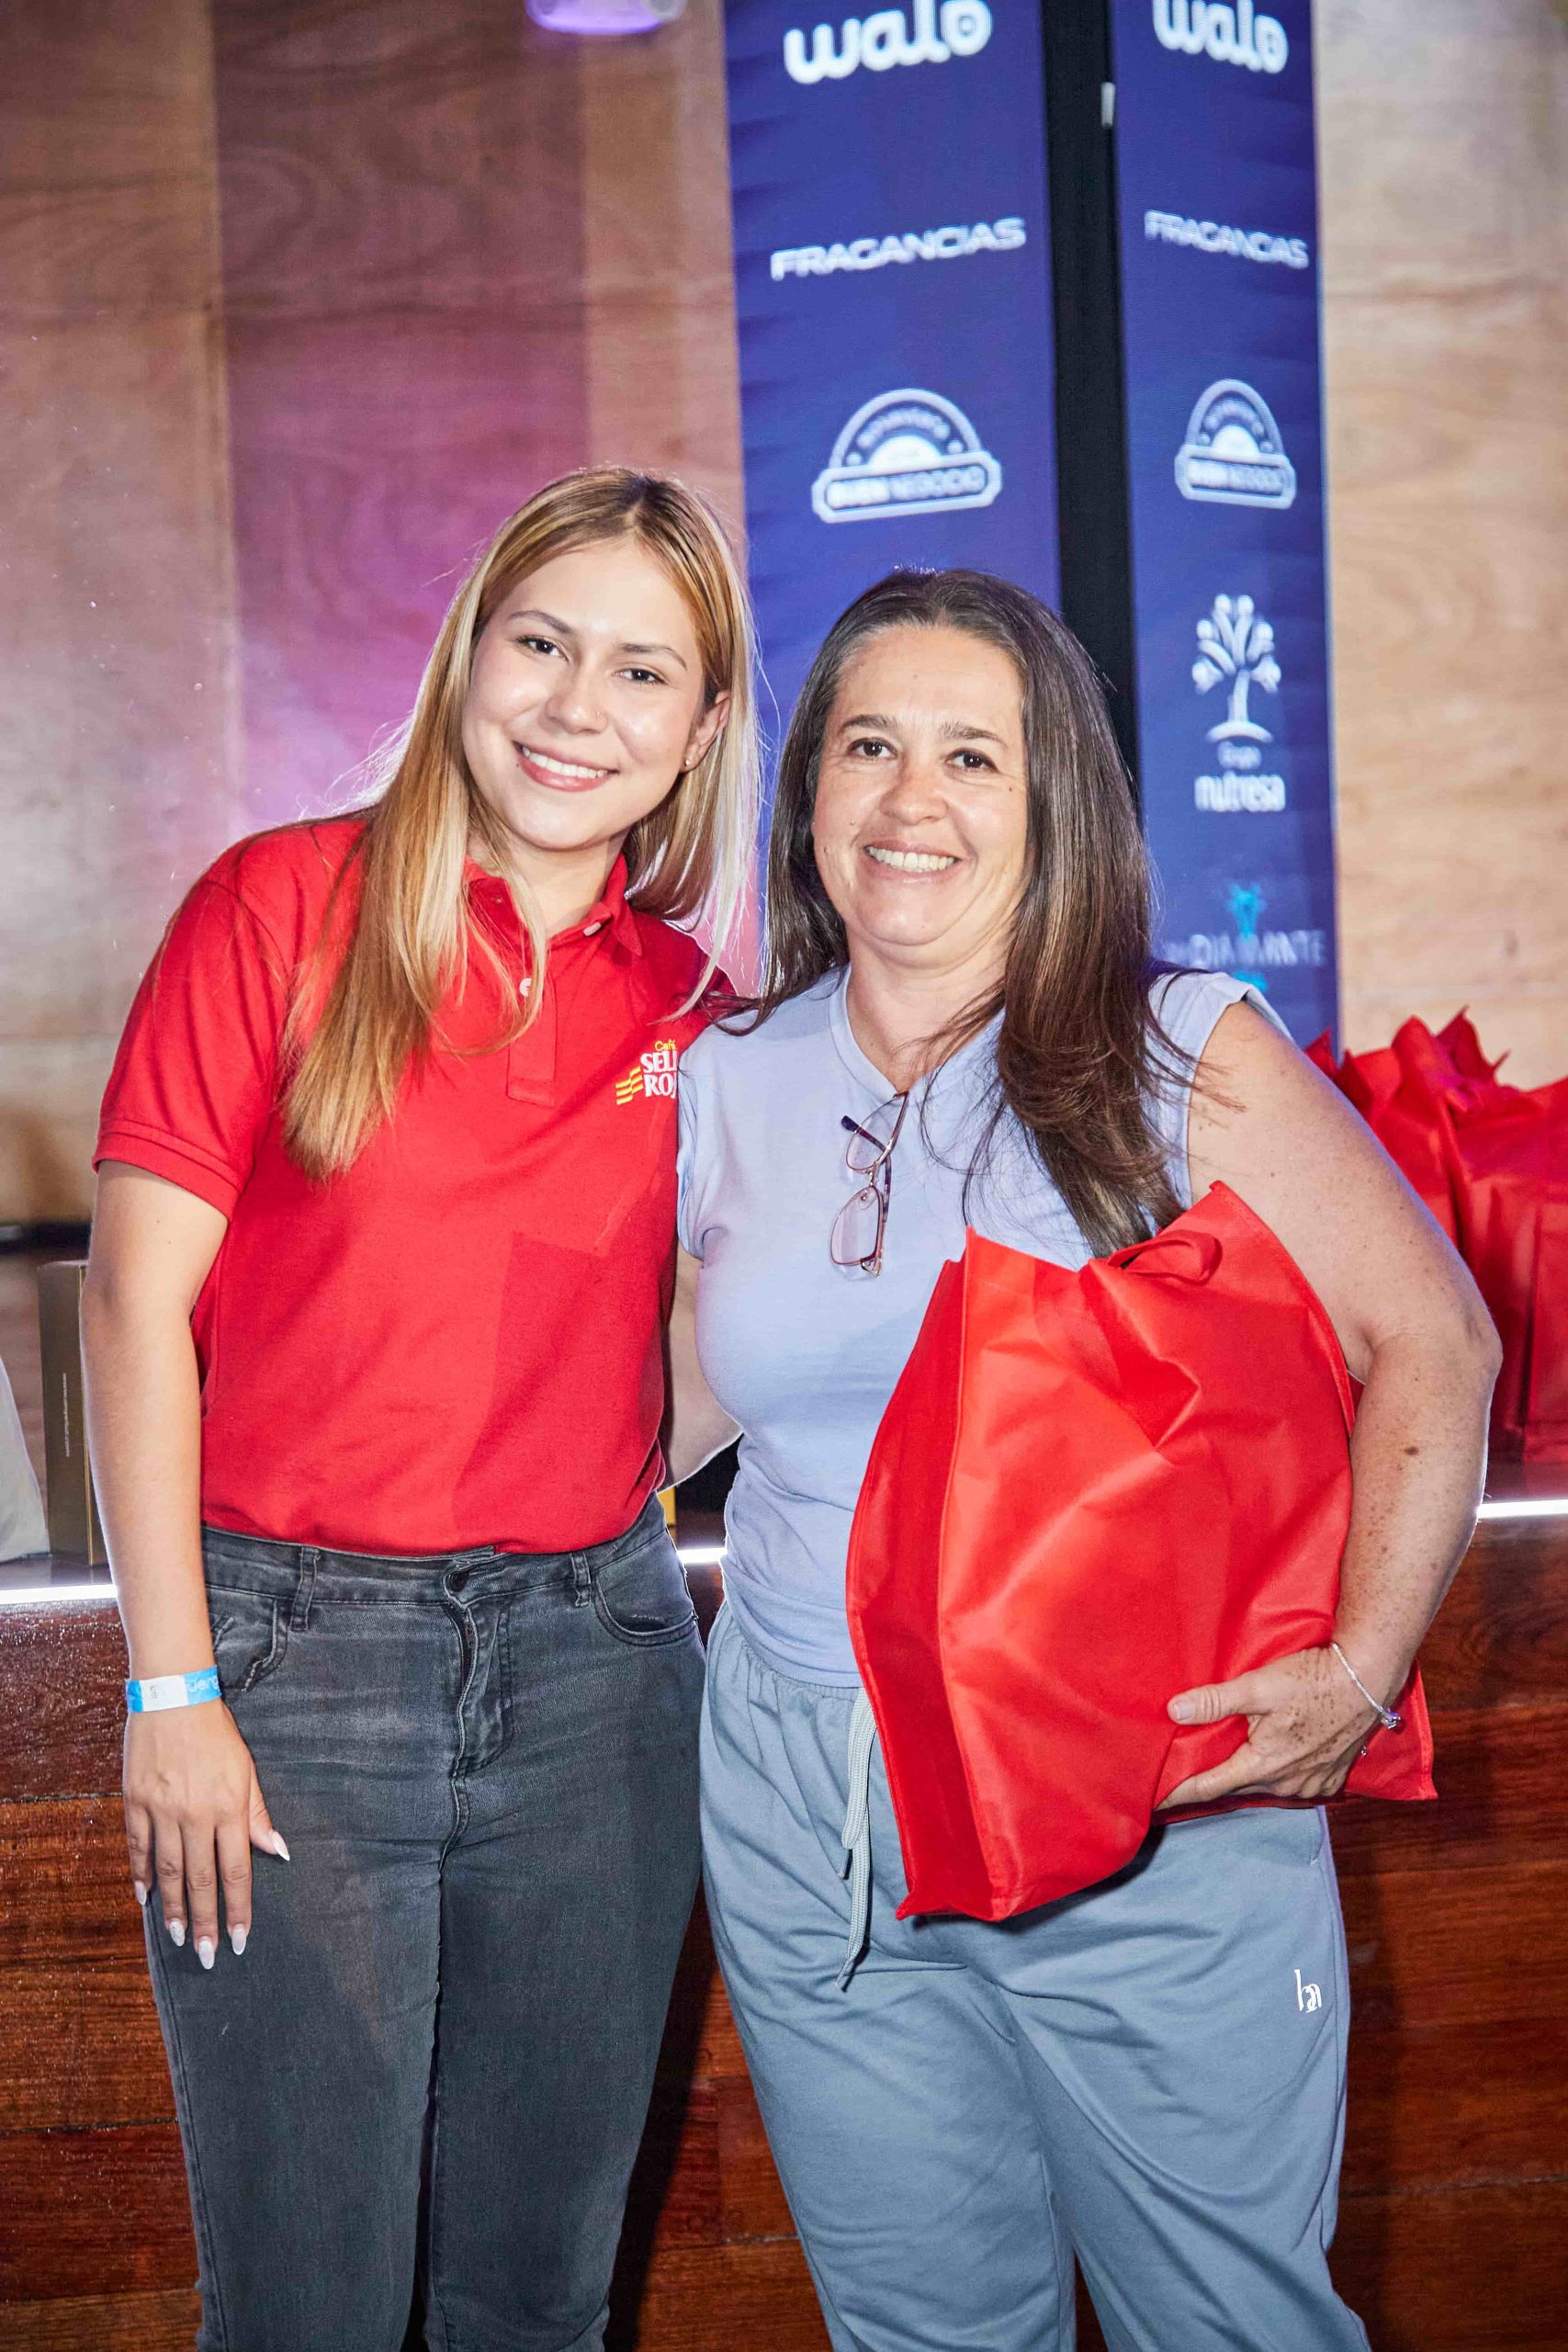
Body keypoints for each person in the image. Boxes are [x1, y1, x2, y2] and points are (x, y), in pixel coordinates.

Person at [666, 568, 1498, 2351]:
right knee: (923, 2333)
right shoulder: (726, 1071)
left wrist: (1360, 1668)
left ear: (1056, 804)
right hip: (806, 1810)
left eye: (973, 756)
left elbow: (1434, 1338)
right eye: (869, 745)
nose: (911, 798)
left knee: (1230, 2326)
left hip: (1141, 1811)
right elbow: (662, 1409)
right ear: (805, 787)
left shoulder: (1177, 1045)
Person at [82, 467, 758, 2351]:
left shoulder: (699, 1006)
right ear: (469, 650)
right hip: (291, 1674)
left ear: (701, 726)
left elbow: (708, 1364)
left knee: (535, 2305)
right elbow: (132, 1307)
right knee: (305, 2310)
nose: (576, 706)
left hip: (601, 1675)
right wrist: (172, 1690)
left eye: (642, 671)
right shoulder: (280, 904)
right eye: (541, 642)